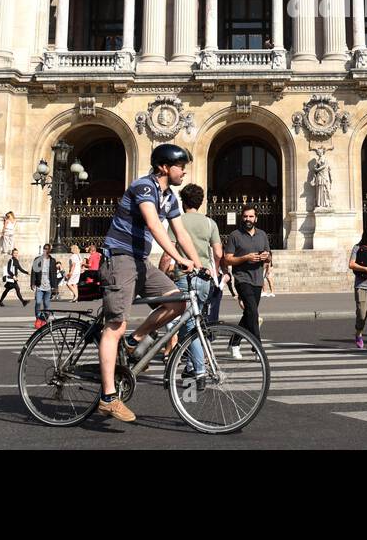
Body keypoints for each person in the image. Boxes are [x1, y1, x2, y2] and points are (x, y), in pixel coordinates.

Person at [97, 143, 201, 425]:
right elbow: (155, 226)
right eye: (181, 166)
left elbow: (182, 233)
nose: (184, 171)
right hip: (119, 258)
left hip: (140, 261)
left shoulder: (170, 198)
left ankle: (135, 341)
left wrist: (201, 263)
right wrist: (179, 259)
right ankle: (108, 398)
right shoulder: (144, 187)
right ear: (164, 167)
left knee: (178, 301)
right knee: (115, 325)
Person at [171, 183, 223, 383]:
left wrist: (161, 271)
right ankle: (192, 366)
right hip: (205, 277)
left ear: (183, 201)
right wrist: (215, 271)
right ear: (201, 202)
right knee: (196, 321)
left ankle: (198, 370)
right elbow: (218, 253)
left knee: (189, 325)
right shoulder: (210, 223)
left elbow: (169, 253)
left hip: (184, 277)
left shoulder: (178, 221)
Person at [223, 203, 271, 359]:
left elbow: (269, 255)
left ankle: (234, 343)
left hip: (257, 279)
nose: (248, 219)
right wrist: (245, 257)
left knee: (249, 313)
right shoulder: (235, 235)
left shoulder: (262, 235)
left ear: (256, 218)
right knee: (253, 312)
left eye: (251, 216)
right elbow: (227, 259)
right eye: (245, 216)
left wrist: (266, 257)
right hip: (242, 279)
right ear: (241, 217)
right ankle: (257, 348)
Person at [30, 244, 55, 320]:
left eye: (47, 249)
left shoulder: (52, 260)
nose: (46, 250)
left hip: (48, 286)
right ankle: (38, 318)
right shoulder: (37, 259)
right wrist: (32, 283)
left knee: (46, 304)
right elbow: (33, 272)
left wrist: (55, 286)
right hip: (39, 285)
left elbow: (54, 274)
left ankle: (45, 319)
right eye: (45, 249)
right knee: (38, 302)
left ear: (50, 250)